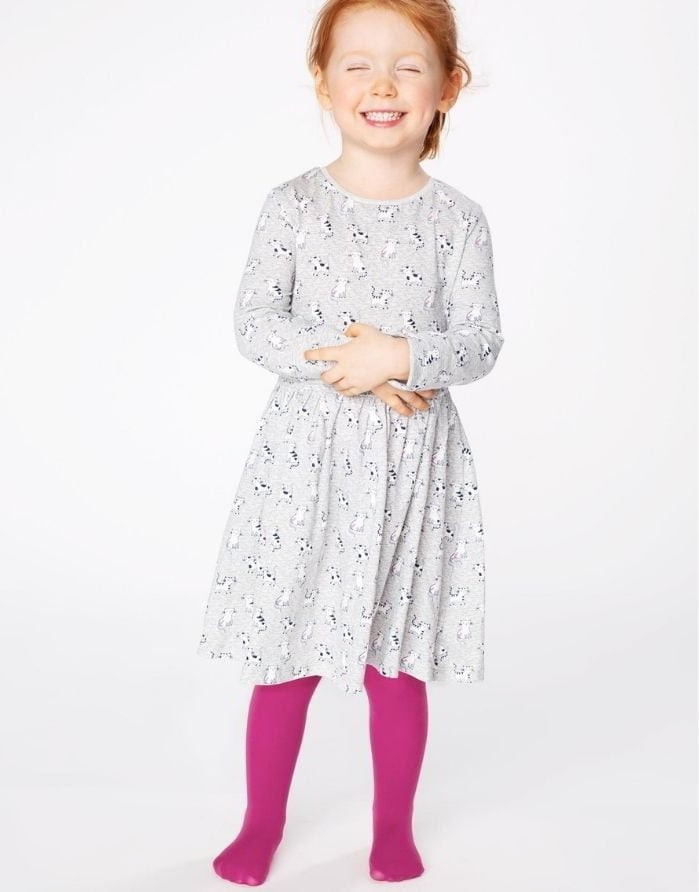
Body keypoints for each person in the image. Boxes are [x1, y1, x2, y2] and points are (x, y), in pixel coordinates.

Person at [196, 0, 505, 884]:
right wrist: (356, 362)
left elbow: (479, 341)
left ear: (447, 87)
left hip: (413, 469)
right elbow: (256, 323)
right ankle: (261, 823)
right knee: (284, 654)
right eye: (358, 65)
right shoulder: (292, 206)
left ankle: (391, 828)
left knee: (395, 661)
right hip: (307, 466)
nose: (382, 84)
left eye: (408, 66)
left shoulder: (457, 220)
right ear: (323, 82)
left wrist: (402, 354)